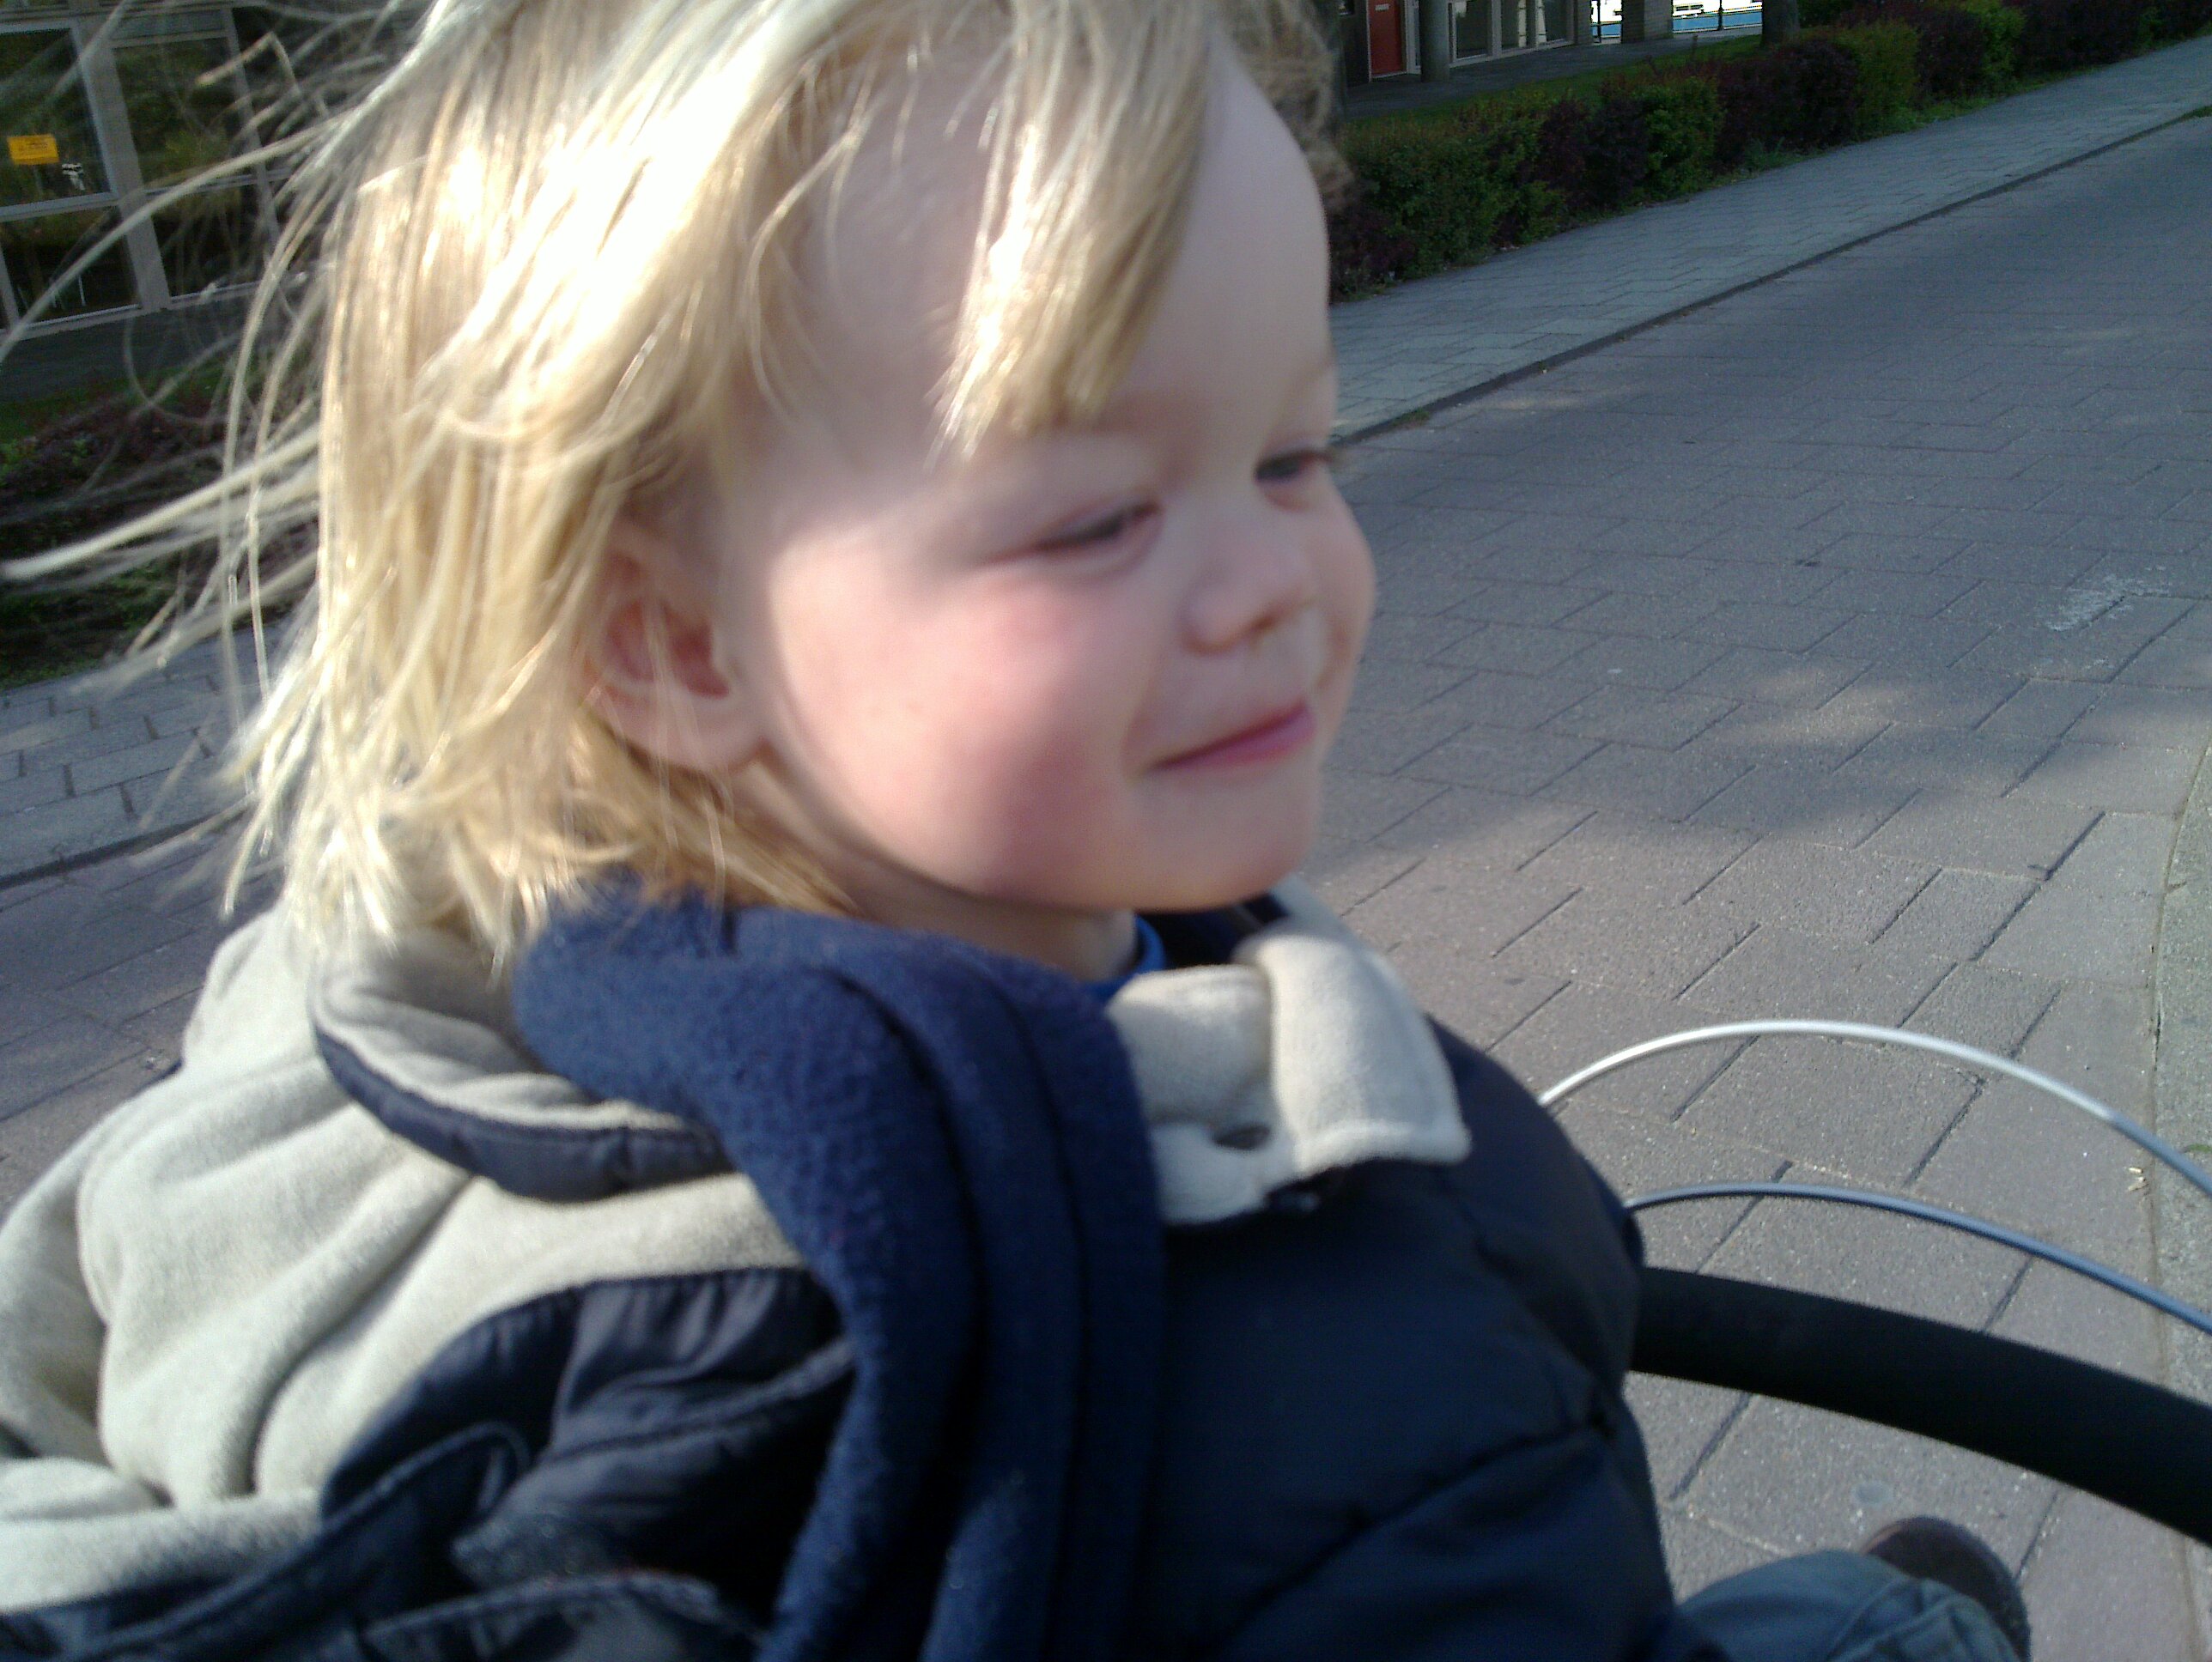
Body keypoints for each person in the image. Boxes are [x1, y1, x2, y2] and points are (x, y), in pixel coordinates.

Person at [0, 1, 2030, 1658]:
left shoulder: (324, 1024)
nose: (1275, 578)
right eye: (1098, 514)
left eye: (1294, 451)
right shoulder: (1352, 1368)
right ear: (672, 641)